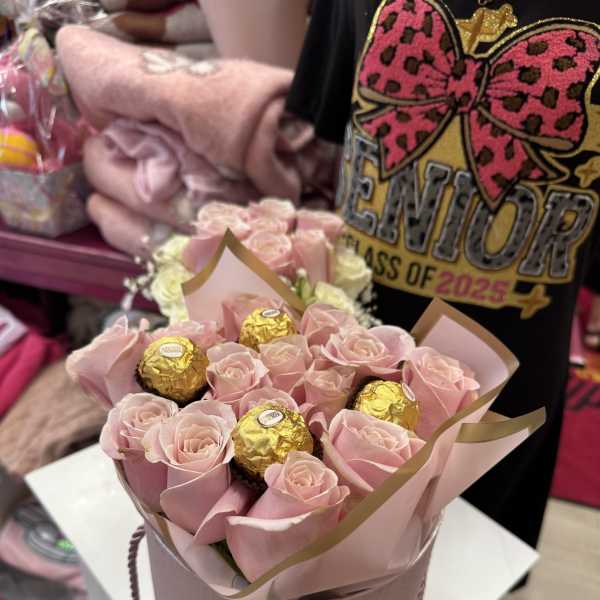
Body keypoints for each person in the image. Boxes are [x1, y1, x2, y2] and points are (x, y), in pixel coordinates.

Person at [286, 0, 600, 559]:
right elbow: (335, 124)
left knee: (477, 563)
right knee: (326, 552)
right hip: (350, 358)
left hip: (510, 383)